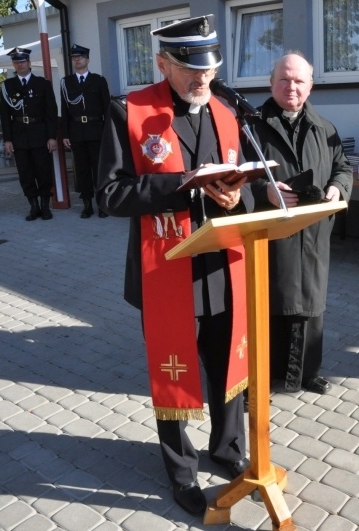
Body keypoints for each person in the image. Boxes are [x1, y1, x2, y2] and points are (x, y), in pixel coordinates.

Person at [97, 15, 252, 515]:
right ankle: (181, 472)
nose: (202, 79)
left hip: (220, 266)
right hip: (165, 270)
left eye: (208, 69)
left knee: (227, 362)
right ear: (163, 63)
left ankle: (227, 449)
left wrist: (237, 197)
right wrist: (179, 186)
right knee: (174, 372)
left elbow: (234, 178)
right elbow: (109, 194)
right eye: (190, 69)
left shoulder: (227, 112)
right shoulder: (129, 111)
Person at [244, 52, 352, 394]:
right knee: (268, 305)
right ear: (271, 82)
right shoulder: (249, 125)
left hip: (314, 233)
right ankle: (258, 377)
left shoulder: (325, 127)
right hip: (270, 235)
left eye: (299, 80)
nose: (292, 87)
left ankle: (306, 372)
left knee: (311, 304)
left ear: (311, 86)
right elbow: (235, 178)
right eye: (285, 79)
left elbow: (343, 167)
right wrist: (266, 192)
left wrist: (339, 188)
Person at [0, 47, 59, 221]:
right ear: (13, 64)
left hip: (39, 133)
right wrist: (8, 139)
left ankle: (45, 205)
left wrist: (51, 136)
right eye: (16, 62)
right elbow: (4, 115)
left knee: (43, 171)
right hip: (19, 135)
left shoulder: (42, 84)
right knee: (25, 173)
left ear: (29, 62)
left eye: (22, 61)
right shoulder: (7, 86)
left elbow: (51, 113)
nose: (20, 64)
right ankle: (33, 206)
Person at [60, 44, 111, 219]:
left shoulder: (98, 80)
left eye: (80, 57)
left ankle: (102, 204)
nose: (77, 60)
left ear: (87, 59)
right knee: (81, 170)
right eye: (74, 57)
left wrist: (107, 133)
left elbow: (107, 109)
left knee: (99, 170)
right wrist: (65, 134)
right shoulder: (66, 82)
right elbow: (64, 110)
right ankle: (87, 205)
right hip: (77, 132)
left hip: (96, 131)